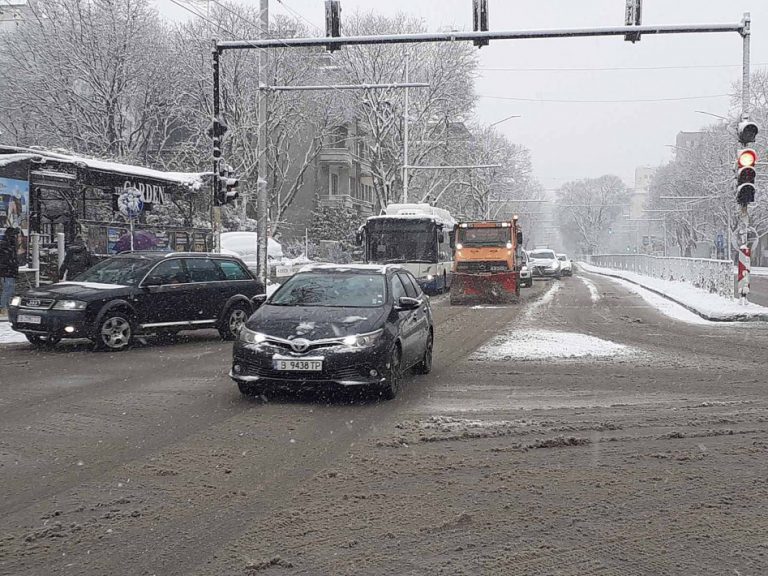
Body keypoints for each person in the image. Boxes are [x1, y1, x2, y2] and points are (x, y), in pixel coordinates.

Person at [0, 227, 19, 314]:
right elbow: (9, 258)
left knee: (9, 290)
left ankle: (5, 307)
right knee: (8, 290)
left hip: (8, 270)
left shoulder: (7, 244)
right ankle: (2, 307)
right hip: (8, 270)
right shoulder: (8, 245)